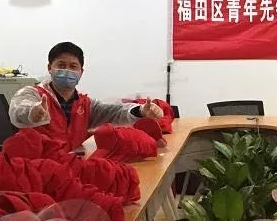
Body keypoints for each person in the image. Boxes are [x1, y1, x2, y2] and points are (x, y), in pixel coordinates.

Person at [9, 41, 162, 148]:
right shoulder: (33, 93)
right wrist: (32, 113)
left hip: (69, 165)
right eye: (61, 65)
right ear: (50, 68)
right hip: (35, 169)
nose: (67, 70)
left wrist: (140, 110)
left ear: (81, 71)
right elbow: (17, 110)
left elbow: (114, 111)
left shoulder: (85, 104)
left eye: (73, 66)